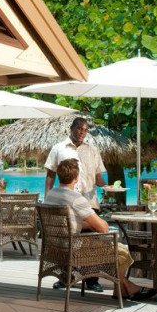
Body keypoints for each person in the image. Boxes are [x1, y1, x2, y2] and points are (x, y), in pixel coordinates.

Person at [44, 158, 156, 301]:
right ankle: (124, 288)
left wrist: (86, 225)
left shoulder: (51, 195)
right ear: (76, 177)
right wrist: (94, 224)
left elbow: (66, 224)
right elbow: (103, 227)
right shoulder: (76, 199)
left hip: (55, 249)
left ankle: (123, 289)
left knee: (116, 249)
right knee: (123, 252)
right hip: (74, 250)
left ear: (59, 175)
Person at [44, 116, 108, 292]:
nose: (82, 132)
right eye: (79, 128)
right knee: (66, 239)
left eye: (85, 130)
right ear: (71, 128)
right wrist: (47, 198)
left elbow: (97, 176)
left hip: (89, 201)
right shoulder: (58, 149)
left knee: (91, 242)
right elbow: (50, 175)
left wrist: (107, 187)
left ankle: (91, 279)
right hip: (66, 201)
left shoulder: (93, 150)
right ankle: (66, 277)